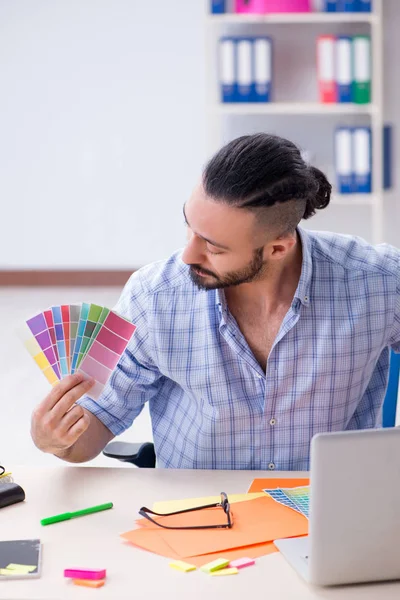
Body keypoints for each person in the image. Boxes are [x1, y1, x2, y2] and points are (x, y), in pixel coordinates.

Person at [31, 133, 400, 470]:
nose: (188, 255)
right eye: (190, 227)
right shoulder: (151, 296)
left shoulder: (378, 281)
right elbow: (96, 423)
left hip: (324, 512)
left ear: (277, 248)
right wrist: (56, 440)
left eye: (213, 247)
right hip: (198, 516)